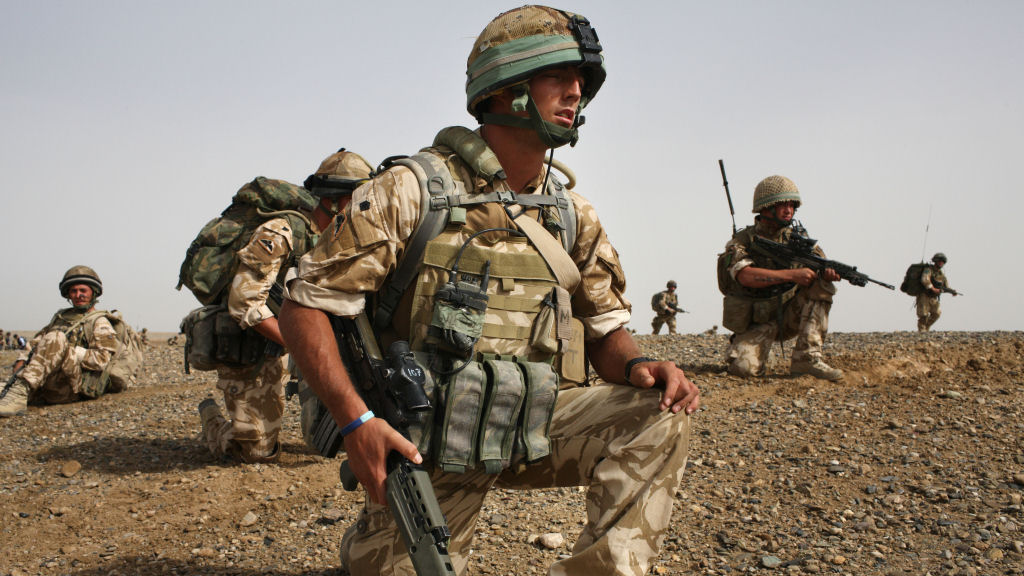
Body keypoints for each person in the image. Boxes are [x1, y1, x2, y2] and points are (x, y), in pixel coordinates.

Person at [279, 6, 700, 575]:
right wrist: (357, 422)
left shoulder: (571, 214)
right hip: (426, 443)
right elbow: (306, 305)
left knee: (657, 413)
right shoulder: (412, 191)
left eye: (581, 81)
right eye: (558, 76)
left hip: (530, 423)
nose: (576, 92)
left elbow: (605, 331)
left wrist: (638, 365)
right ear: (505, 88)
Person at [197, 148, 373, 463]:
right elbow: (244, 304)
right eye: (357, 199)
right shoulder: (279, 232)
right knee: (254, 451)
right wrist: (303, 345)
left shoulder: (332, 238)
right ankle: (210, 417)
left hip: (284, 340)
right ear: (333, 200)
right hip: (249, 344)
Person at [717, 175, 844, 381]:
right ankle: (754, 349)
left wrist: (827, 275)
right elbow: (745, 276)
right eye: (782, 205)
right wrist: (793, 275)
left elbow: (821, 263)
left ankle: (807, 358)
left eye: (792, 205)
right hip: (756, 321)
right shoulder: (742, 241)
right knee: (743, 370)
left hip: (789, 316)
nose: (788, 210)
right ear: (765, 207)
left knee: (821, 285)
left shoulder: (799, 241)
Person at [0, 266, 121, 416]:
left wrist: (66, 350)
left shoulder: (99, 322)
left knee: (56, 338)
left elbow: (102, 360)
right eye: (74, 291)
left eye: (83, 291)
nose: (78, 295)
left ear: (93, 292)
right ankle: (20, 390)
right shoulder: (60, 317)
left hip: (70, 387)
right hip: (44, 382)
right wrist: (21, 361)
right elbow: (36, 344)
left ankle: (19, 393)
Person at [916, 252, 958, 332]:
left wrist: (952, 291)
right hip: (924, 295)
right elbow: (924, 280)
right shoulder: (928, 270)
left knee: (936, 313)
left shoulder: (941, 275)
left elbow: (946, 286)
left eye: (942, 262)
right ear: (935, 261)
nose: (941, 263)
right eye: (939, 261)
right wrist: (933, 288)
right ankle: (922, 331)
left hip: (933, 297)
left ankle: (926, 328)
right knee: (923, 315)